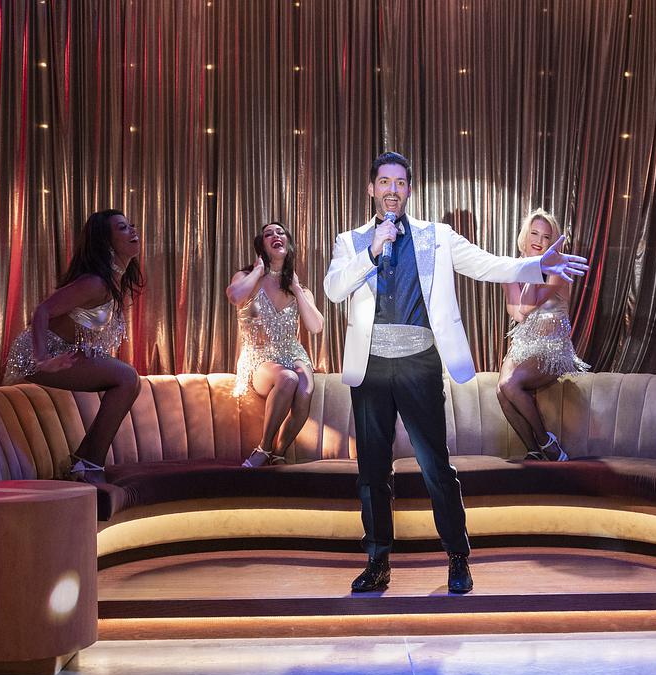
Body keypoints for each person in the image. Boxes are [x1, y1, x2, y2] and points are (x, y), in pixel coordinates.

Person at [324, 152, 589, 594]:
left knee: (435, 466)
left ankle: (457, 558)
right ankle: (378, 561)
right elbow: (334, 289)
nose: (392, 190)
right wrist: (372, 250)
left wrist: (536, 266)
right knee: (372, 471)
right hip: (370, 367)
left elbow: (485, 264)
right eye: (384, 182)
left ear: (409, 190)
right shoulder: (350, 241)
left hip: (419, 362)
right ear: (371, 189)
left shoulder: (436, 237)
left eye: (400, 183)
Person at [4, 209, 144, 480]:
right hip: (39, 356)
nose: (133, 231)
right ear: (105, 241)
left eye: (131, 225)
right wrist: (42, 359)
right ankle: (90, 465)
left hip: (63, 352)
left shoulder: (114, 281)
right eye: (123, 228)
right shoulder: (95, 282)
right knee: (127, 377)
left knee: (131, 381)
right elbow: (42, 311)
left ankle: (84, 461)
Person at [227, 222, 324, 467]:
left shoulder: (300, 288)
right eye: (268, 234)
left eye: (280, 232)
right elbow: (235, 296)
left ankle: (279, 452)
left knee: (305, 387)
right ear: (261, 245)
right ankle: (264, 447)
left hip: (292, 352)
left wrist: (297, 289)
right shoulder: (246, 278)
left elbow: (316, 327)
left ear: (288, 243)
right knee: (288, 378)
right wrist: (258, 271)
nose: (275, 236)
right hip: (259, 357)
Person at [498, 209, 590, 461]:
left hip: (552, 348)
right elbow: (517, 314)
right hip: (523, 345)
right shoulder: (511, 268)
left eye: (546, 237)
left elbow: (527, 307)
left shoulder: (557, 271)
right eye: (534, 233)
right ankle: (534, 450)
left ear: (552, 243)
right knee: (501, 391)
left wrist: (534, 268)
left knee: (509, 384)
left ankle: (546, 441)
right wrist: (526, 267)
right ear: (524, 236)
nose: (539, 240)